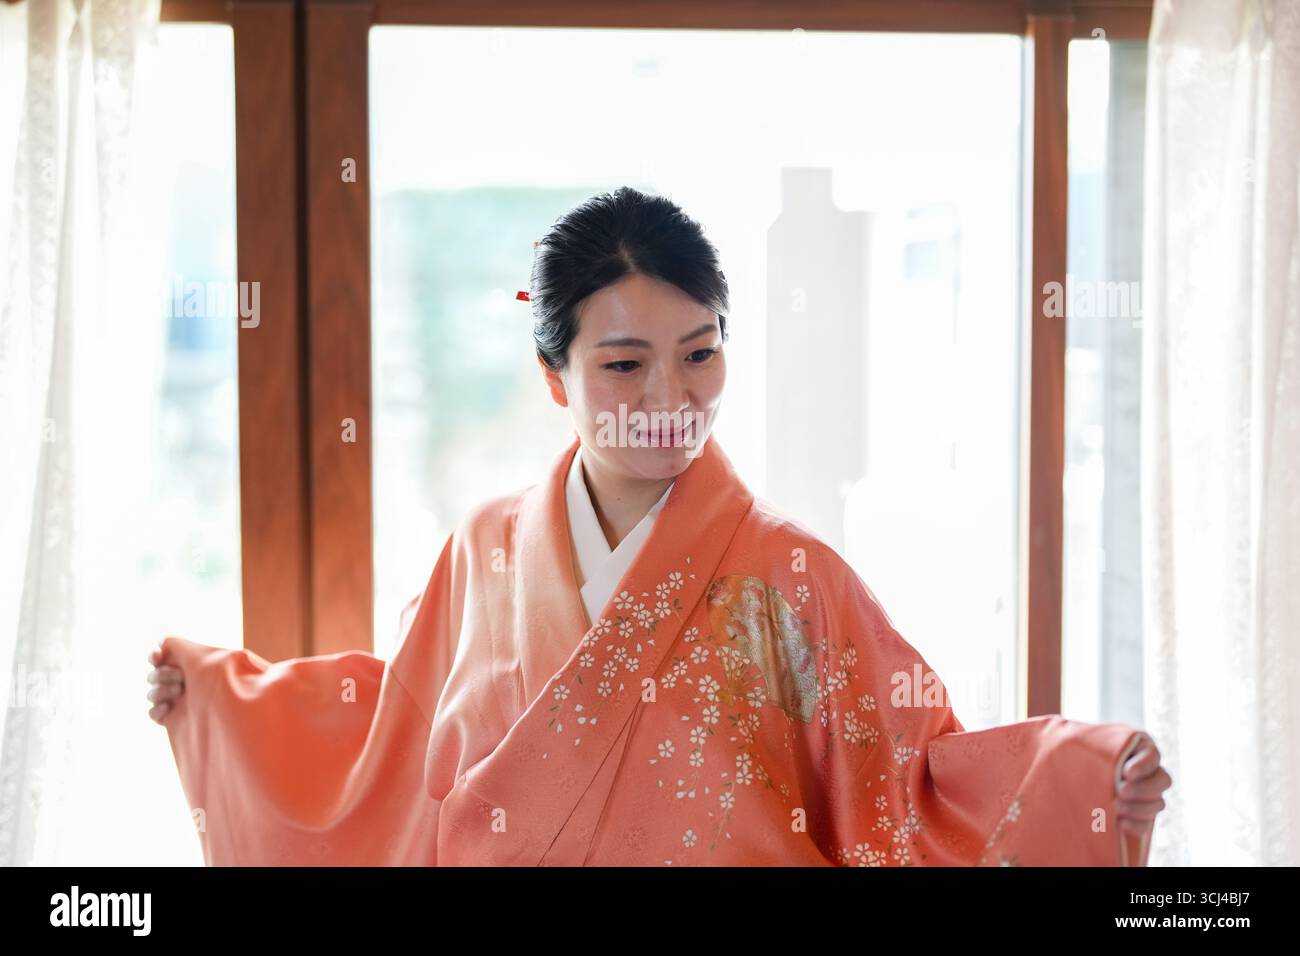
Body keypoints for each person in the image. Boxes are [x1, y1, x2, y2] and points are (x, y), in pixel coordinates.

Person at [147, 186, 1171, 866]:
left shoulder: (793, 574)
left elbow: (909, 782)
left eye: (700, 351)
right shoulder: (485, 547)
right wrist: (224, 703)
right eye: (624, 363)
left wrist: (1086, 784)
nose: (670, 394)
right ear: (554, 375)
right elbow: (392, 734)